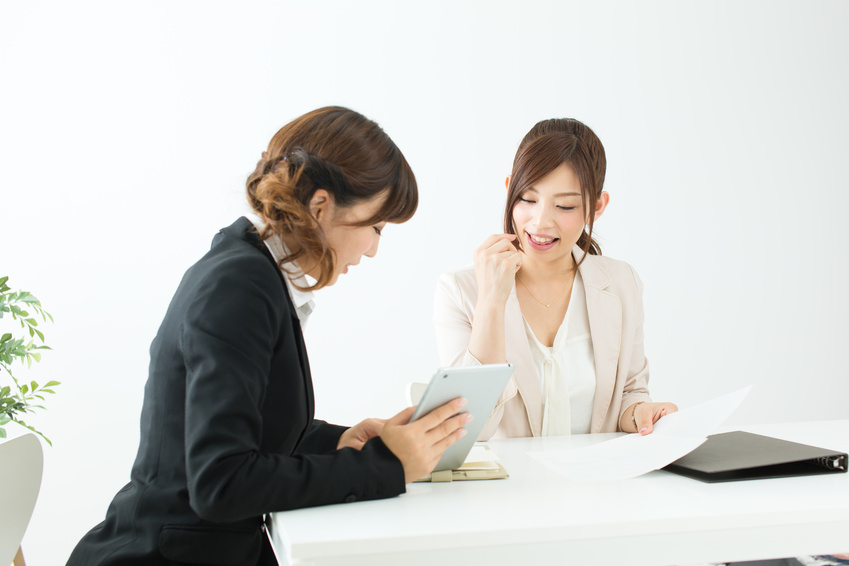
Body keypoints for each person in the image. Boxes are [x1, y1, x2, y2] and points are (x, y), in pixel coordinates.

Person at [67, 106, 470, 566]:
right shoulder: (239, 285)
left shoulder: (252, 270)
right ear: (321, 206)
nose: (374, 249)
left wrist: (340, 442)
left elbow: (247, 430)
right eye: (375, 227)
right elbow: (221, 483)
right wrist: (385, 467)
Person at [433, 117, 677, 440]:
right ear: (509, 190)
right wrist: (491, 301)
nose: (540, 221)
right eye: (528, 199)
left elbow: (629, 394)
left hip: (596, 485)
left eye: (565, 205)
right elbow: (469, 429)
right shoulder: (460, 290)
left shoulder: (621, 284)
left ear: (597, 206)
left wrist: (641, 414)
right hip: (507, 489)